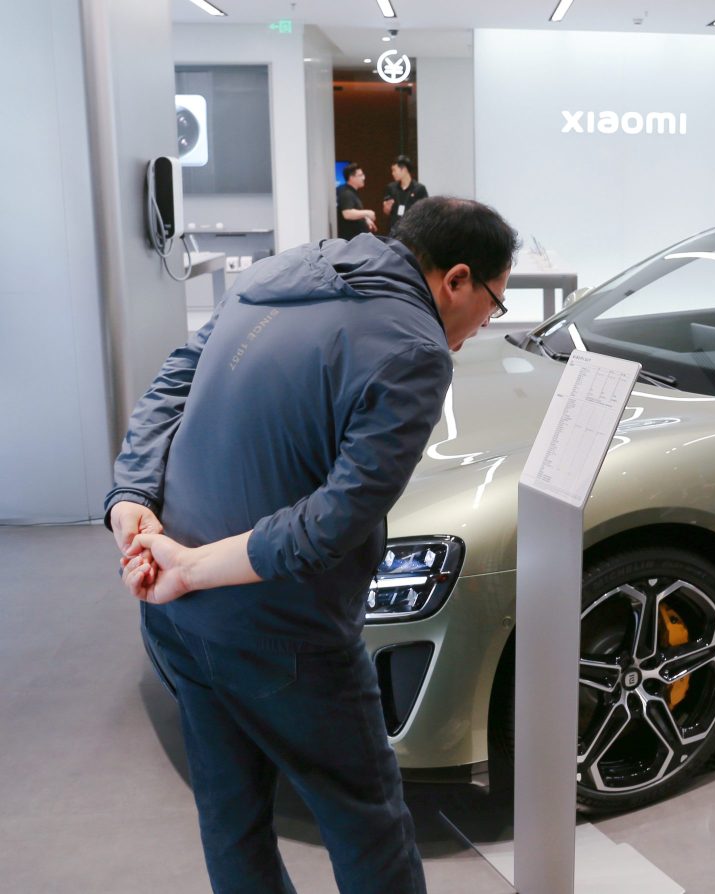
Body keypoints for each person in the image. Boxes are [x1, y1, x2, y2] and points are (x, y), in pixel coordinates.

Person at [106, 197, 519, 894]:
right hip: (283, 636)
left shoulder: (283, 271)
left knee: (231, 816)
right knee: (368, 826)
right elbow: (333, 522)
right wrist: (193, 569)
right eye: (494, 303)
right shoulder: (415, 348)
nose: (486, 323)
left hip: (173, 616)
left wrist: (131, 502)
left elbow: (172, 382)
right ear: (456, 279)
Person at [383, 155, 429, 230]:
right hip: (395, 229)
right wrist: (387, 208)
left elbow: (425, 211)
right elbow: (386, 212)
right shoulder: (391, 188)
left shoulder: (419, 189)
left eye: (394, 170)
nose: (392, 173)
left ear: (403, 169)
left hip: (413, 229)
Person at [337, 163, 376, 239]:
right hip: (351, 240)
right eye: (360, 175)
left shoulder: (351, 192)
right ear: (351, 177)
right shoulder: (346, 192)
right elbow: (347, 213)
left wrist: (365, 218)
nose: (363, 178)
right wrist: (367, 213)